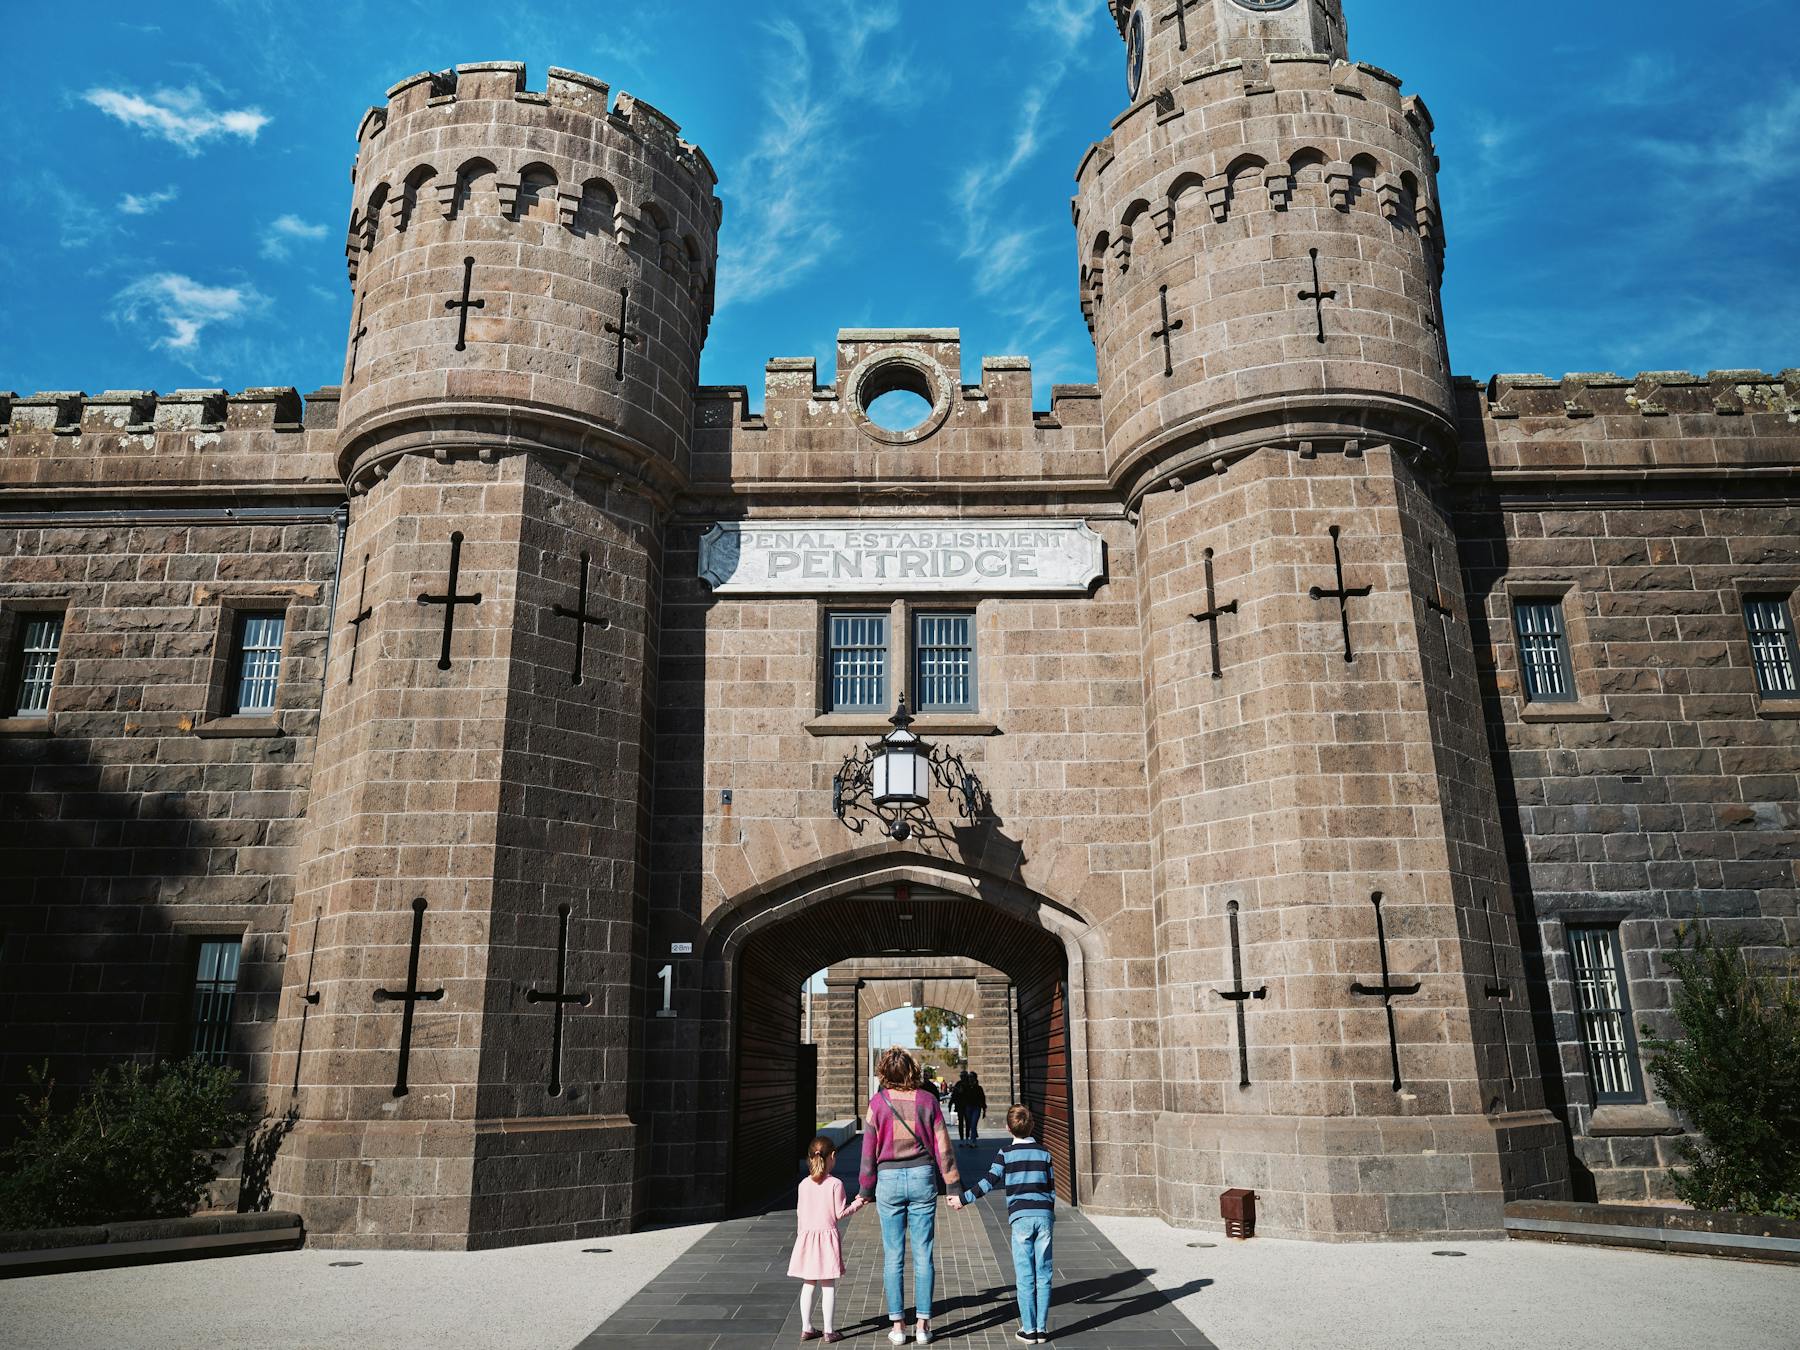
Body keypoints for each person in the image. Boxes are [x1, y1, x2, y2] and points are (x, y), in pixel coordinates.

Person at [859, 1046, 961, 1346]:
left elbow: (868, 1151)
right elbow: (944, 1147)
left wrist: (866, 1188)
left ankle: (898, 1327)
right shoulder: (928, 1101)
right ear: (912, 1071)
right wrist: (953, 1186)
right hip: (922, 1178)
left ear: (884, 1073)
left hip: (888, 1180)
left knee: (893, 1255)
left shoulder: (877, 1104)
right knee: (923, 1252)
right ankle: (924, 1325)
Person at [947, 1104, 1055, 1344]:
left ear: (1007, 1128)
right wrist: (1049, 1213)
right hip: (1044, 1216)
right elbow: (1051, 1188)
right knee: (1044, 1273)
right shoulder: (1044, 1152)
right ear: (1033, 1125)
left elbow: (988, 1182)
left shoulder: (1005, 1153)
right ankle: (1042, 1328)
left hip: (1021, 1218)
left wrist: (962, 1199)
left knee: (1025, 1275)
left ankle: (1028, 1329)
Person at [790, 1135, 865, 1343]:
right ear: (832, 1156)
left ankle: (806, 1327)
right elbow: (839, 1213)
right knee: (828, 1285)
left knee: (808, 1283)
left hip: (806, 1237)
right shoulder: (835, 1184)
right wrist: (859, 1202)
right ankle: (829, 1330)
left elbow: (799, 1213)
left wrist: (801, 1236)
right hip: (826, 1239)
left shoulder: (803, 1184)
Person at [961, 1071, 987, 1144]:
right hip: (968, 1107)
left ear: (975, 1078)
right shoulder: (966, 1087)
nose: (970, 1078)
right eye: (969, 1077)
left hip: (976, 1107)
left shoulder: (979, 1088)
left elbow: (983, 1098)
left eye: (971, 1077)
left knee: (973, 1123)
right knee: (970, 1124)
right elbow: (963, 1097)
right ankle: (974, 1135)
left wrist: (984, 1109)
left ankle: (973, 1141)